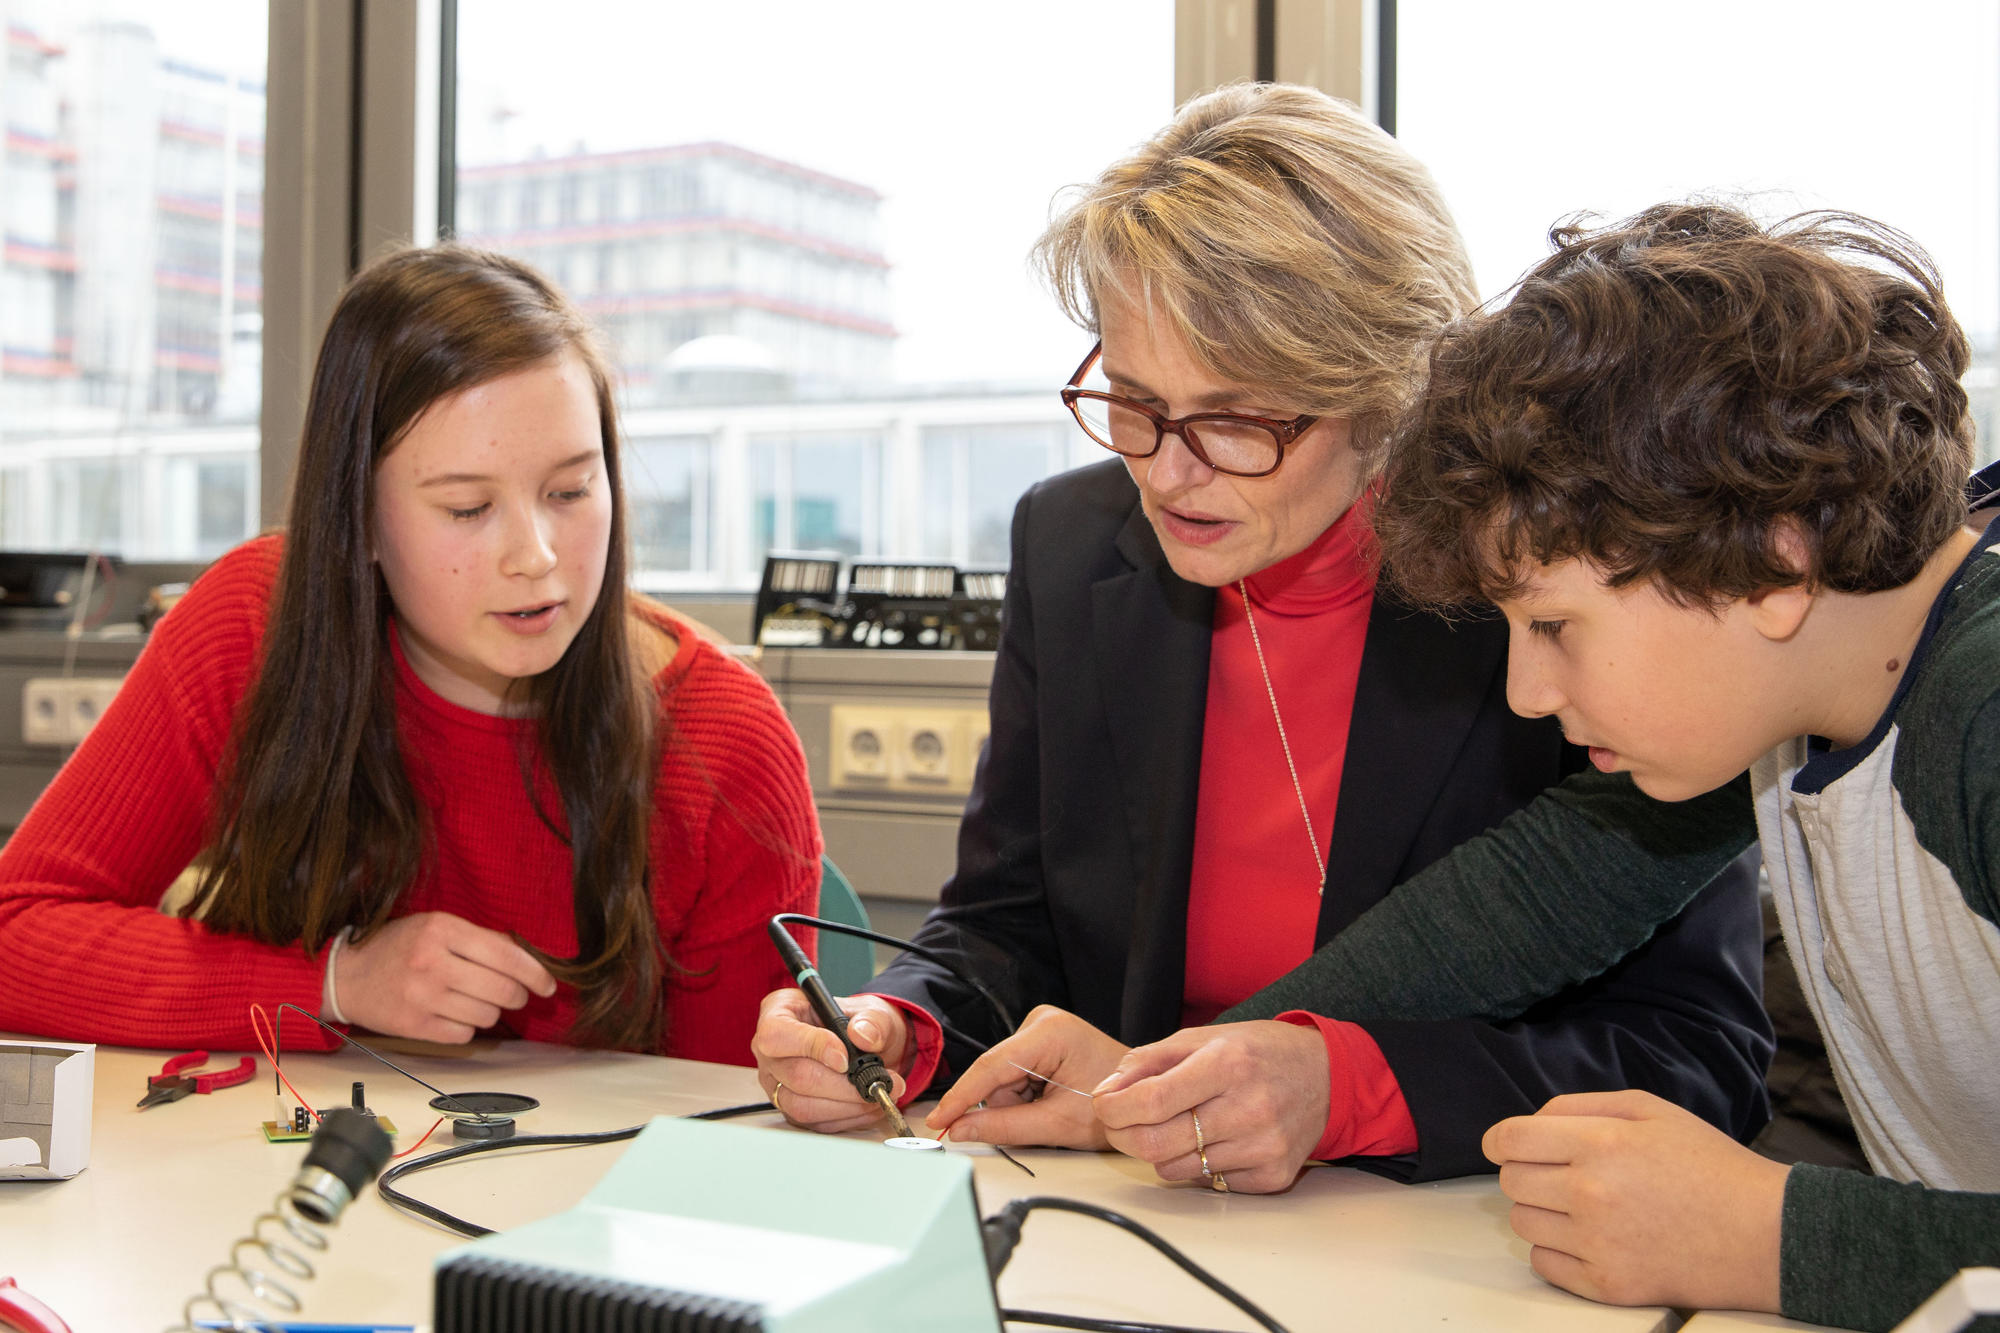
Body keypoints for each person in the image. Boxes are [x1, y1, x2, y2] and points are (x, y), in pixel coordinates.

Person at [750, 83, 1772, 1190]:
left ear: (1391, 395)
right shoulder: (1071, 541)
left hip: (1447, 1237)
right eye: (1132, 400)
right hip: (1132, 1206)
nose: (1164, 469)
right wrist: (904, 1023)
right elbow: (1004, 924)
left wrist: (1346, 1089)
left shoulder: (1550, 594)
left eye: (1234, 419)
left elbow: (1696, 1051)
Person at [1125, 203, 1997, 1330]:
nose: (1526, 693)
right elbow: (1536, 894)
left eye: (1552, 625)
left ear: (1775, 561)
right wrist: (1195, 1070)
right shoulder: (1808, 684)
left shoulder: (1978, 715)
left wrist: (1768, 1237)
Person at [0, 245, 821, 1063]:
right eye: (467, 508)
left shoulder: (729, 740)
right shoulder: (253, 622)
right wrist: (337, 983)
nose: (534, 555)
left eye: (571, 491)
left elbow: (738, 1117)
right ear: (356, 517)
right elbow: (16, 932)